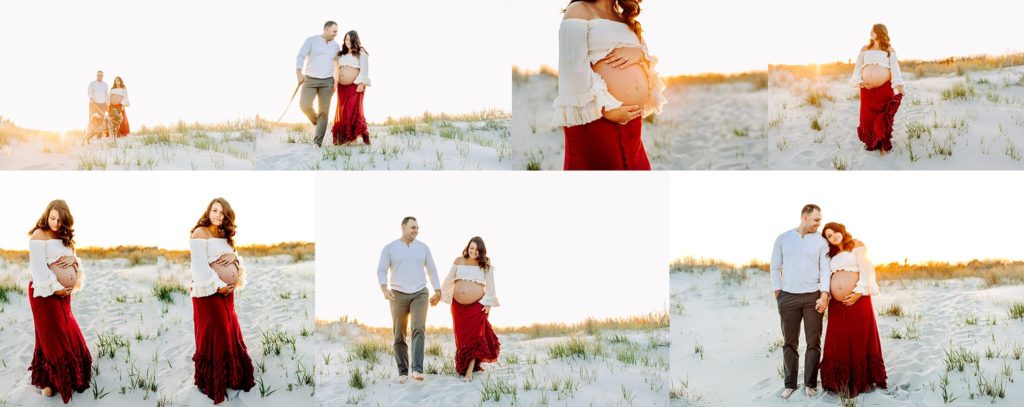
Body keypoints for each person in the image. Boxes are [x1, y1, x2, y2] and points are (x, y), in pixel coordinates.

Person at [552, 0, 666, 170]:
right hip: (595, 117)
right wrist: (605, 109)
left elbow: (647, 60)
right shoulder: (579, 10)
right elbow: (572, 69)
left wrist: (638, 53)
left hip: (631, 119)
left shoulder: (625, 17)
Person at [190, 198, 254, 404]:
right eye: (214, 210)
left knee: (229, 331)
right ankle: (211, 381)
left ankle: (231, 377)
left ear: (227, 216)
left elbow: (231, 257)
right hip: (208, 292)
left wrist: (233, 259)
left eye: (222, 213)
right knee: (216, 333)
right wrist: (218, 286)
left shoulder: (223, 234)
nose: (217, 215)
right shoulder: (199, 233)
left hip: (227, 293)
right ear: (208, 211)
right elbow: (199, 268)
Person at [27, 199, 92, 403]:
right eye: (52, 217)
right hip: (45, 293)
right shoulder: (39, 235)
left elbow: (72, 260)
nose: (55, 222)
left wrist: (74, 261)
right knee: (51, 334)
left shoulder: (64, 237)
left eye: (59, 219)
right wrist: (57, 288)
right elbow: (38, 270)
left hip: (64, 295)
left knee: (66, 330)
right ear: (47, 215)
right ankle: (49, 381)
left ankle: (72, 375)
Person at [770, 204, 831, 399]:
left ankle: (810, 384)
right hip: (788, 298)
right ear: (805, 216)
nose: (819, 224)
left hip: (813, 297)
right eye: (816, 219)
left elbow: (825, 269)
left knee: (813, 342)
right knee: (790, 343)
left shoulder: (822, 241)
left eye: (820, 220)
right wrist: (778, 290)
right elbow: (774, 267)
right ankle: (790, 384)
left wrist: (824, 294)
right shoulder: (783, 238)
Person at [819, 222, 887, 397]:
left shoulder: (855, 244)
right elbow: (827, 276)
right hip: (837, 305)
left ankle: (860, 381)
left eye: (834, 232)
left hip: (859, 299)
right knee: (838, 340)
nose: (833, 236)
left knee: (858, 337)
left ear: (841, 230)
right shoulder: (831, 255)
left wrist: (858, 292)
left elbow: (867, 269)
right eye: (828, 235)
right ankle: (838, 381)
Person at [377, 217, 442, 384]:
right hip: (397, 294)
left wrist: (437, 290)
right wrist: (384, 289)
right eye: (413, 227)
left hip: (420, 293)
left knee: (418, 328)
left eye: (418, 228)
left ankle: (417, 370)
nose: (416, 230)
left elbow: (432, 271)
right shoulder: (390, 248)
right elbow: (381, 270)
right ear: (403, 227)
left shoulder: (423, 248)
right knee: (399, 333)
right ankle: (403, 371)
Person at [437, 237, 501, 382]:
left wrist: (488, 303)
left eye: (477, 250)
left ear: (481, 251)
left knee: (474, 339)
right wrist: (439, 294)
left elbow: (491, 285)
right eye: (471, 248)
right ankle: (465, 366)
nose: (473, 251)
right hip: (458, 307)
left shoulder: (485, 264)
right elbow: (448, 279)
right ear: (467, 247)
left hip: (477, 306)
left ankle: (470, 372)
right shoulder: (458, 260)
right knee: (461, 338)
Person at [850, 23, 904, 154]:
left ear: (880, 33)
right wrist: (859, 81)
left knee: (882, 114)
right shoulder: (865, 48)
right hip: (867, 89)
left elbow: (895, 67)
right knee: (867, 116)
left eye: (873, 31)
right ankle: (871, 142)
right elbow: (857, 67)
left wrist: (899, 85)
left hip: (884, 88)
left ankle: (882, 141)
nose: (870, 33)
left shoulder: (889, 49)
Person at [296, 21, 341, 147]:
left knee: (324, 113)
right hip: (309, 79)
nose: (336, 34)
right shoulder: (311, 40)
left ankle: (317, 142)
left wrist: (335, 83)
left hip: (327, 81)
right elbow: (301, 56)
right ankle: (317, 121)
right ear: (326, 29)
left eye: (336, 31)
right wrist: (299, 73)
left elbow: (337, 65)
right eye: (334, 31)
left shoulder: (336, 46)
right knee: (304, 105)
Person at [330, 30, 371, 145]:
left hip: (355, 86)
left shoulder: (360, 52)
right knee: (343, 112)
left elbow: (364, 70)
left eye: (350, 40)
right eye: (346, 39)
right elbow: (336, 70)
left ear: (355, 41)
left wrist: (361, 83)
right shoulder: (341, 54)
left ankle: (353, 138)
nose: (348, 42)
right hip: (342, 88)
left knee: (352, 111)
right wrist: (335, 83)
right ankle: (344, 139)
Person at [87, 71, 109, 137]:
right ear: (96, 75)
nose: (100, 76)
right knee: (92, 119)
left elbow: (106, 95)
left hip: (102, 104)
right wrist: (91, 98)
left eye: (101, 75)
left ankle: (99, 136)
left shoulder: (105, 85)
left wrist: (107, 104)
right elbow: (89, 92)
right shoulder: (92, 83)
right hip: (94, 104)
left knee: (101, 120)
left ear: (103, 76)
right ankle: (89, 134)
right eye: (99, 75)